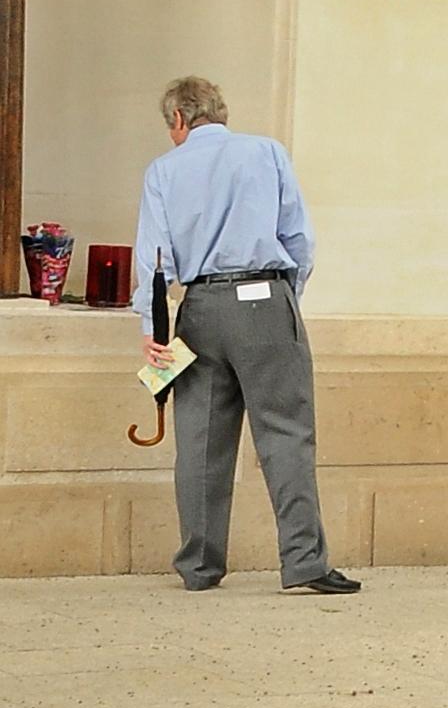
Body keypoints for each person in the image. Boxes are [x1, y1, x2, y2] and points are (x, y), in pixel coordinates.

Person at [131, 77, 357, 596]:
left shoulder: (163, 171)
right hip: (265, 299)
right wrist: (285, 298)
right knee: (286, 434)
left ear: (179, 120)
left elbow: (155, 259)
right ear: (220, 112)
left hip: (200, 308)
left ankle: (199, 567)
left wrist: (152, 327)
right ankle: (303, 562)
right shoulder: (267, 152)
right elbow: (299, 237)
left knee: (200, 441)